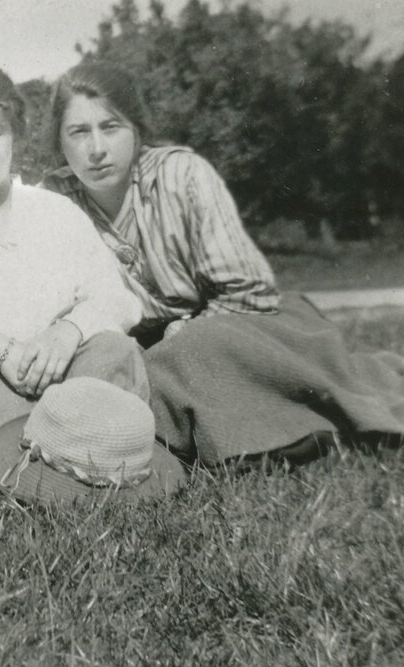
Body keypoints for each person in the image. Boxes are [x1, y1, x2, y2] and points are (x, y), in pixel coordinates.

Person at [42, 61, 404, 467]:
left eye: (110, 127)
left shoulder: (181, 175)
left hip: (239, 326)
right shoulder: (53, 201)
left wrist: (183, 333)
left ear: (137, 130)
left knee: (194, 351)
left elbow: (249, 290)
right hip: (147, 350)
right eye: (78, 132)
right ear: (59, 143)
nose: (96, 149)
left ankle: (283, 431)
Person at [0, 61, 184, 503]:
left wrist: (68, 332)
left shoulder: (54, 212)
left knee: (115, 349)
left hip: (65, 382)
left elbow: (116, 297)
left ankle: (90, 457)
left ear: (16, 136)